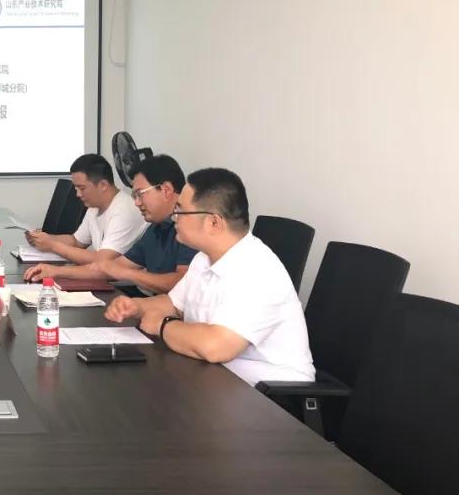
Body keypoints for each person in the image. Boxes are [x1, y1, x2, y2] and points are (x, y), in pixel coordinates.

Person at [104, 168, 315, 386]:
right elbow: (174, 304)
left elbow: (216, 346)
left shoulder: (257, 270)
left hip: (272, 394)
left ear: (214, 223)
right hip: (219, 379)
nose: (174, 218)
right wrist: (137, 307)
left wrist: (162, 325)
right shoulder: (203, 258)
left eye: (181, 211)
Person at [26, 154, 196, 293]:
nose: (137, 203)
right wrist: (55, 271)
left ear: (166, 190)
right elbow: (110, 267)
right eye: (134, 196)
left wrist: (127, 274)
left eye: (140, 194)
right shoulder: (156, 228)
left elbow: (182, 283)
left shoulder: (191, 227)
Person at [23, 153, 145, 277]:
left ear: (103, 185)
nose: (78, 194)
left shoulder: (125, 210)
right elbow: (76, 241)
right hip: (101, 277)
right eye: (76, 188)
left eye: (82, 188)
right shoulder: (94, 206)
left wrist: (53, 245)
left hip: (123, 284)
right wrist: (43, 239)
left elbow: (102, 261)